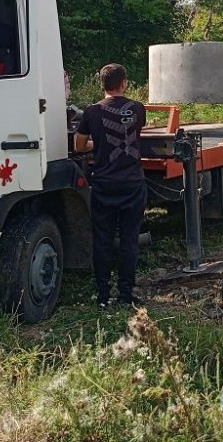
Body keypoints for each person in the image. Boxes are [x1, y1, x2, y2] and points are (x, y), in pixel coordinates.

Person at [74, 63, 147, 308]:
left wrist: (97, 146)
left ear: (102, 84)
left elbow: (79, 146)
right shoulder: (137, 108)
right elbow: (135, 134)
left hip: (104, 184)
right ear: (124, 83)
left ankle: (103, 295)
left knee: (102, 239)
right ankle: (126, 295)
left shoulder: (91, 112)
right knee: (129, 240)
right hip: (132, 184)